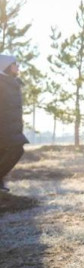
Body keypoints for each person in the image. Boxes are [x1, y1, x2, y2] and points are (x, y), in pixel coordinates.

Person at [0, 55, 27, 193]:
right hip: (3, 127)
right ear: (6, 66)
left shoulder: (12, 82)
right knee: (16, 149)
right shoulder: (1, 82)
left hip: (12, 127)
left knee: (5, 152)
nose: (18, 67)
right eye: (14, 64)